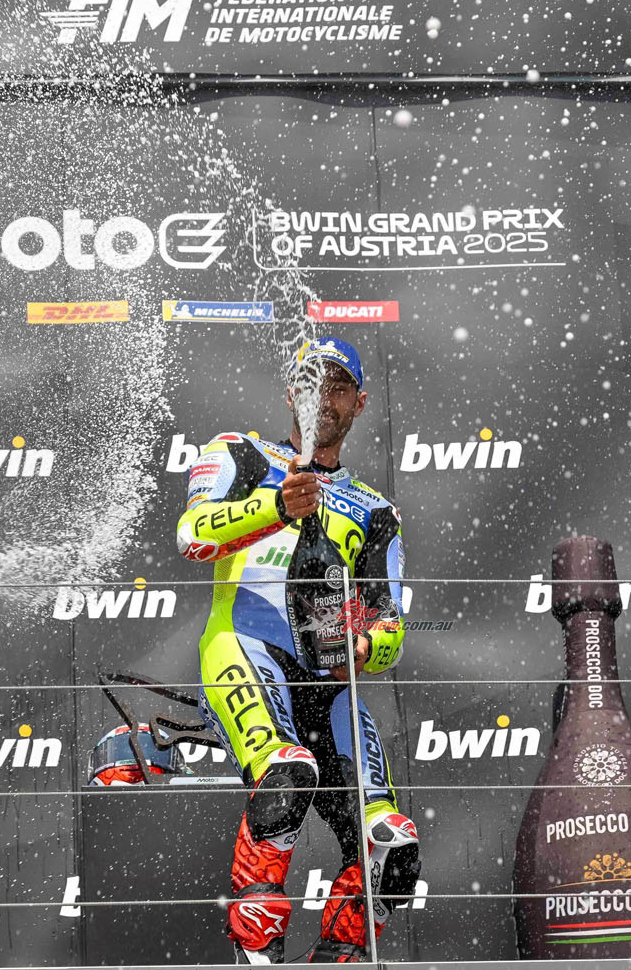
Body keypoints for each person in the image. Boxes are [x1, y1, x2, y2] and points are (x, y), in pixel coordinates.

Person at [178, 338, 420, 964]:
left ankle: (341, 957)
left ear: (359, 402)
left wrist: (362, 644)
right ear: (291, 393)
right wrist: (275, 506)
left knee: (392, 847)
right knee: (286, 774)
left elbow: (390, 626)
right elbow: (192, 536)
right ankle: (257, 951)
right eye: (311, 384)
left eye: (338, 387)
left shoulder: (376, 511)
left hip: (331, 682)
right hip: (244, 648)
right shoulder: (241, 453)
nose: (323, 398)